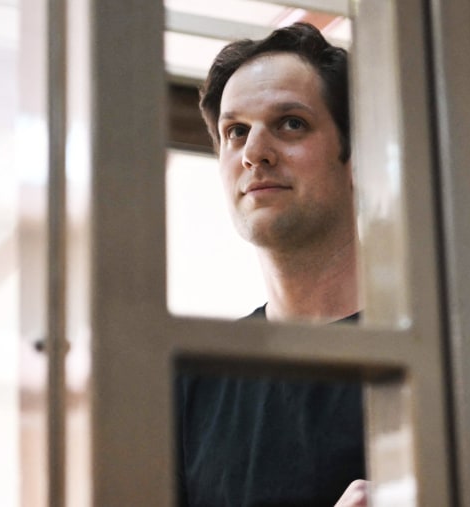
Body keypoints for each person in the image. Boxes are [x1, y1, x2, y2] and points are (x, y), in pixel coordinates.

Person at [177, 22, 367, 506]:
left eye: (290, 123)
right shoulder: (192, 382)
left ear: (354, 155)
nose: (254, 154)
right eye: (235, 131)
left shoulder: (434, 354)